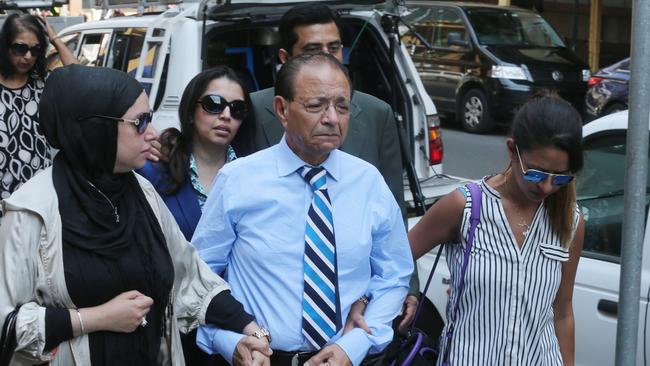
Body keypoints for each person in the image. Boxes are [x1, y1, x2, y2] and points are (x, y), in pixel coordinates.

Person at [0, 64, 272, 365]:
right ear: (95, 128)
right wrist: (95, 318)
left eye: (151, 120)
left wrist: (253, 332)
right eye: (140, 122)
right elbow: (7, 325)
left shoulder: (143, 193)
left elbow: (190, 278)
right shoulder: (30, 211)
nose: (152, 133)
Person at [192, 52, 413, 366]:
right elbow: (200, 275)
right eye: (316, 105)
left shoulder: (368, 181)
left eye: (342, 106)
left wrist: (356, 344)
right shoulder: (239, 179)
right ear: (282, 109)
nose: (332, 119)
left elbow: (393, 275)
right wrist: (228, 340)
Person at [251, 2, 420, 332]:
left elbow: (393, 212)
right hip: (275, 304)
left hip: (355, 303)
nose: (328, 56)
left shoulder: (376, 113)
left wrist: (407, 287)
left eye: (335, 47)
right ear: (286, 58)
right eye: (313, 49)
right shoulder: (254, 110)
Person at [409, 92, 585, 365]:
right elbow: (396, 259)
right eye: (536, 174)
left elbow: (562, 311)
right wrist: (408, 292)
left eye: (560, 178)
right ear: (512, 149)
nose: (547, 187)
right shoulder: (465, 206)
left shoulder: (570, 221)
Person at [138, 66, 256, 241]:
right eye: (214, 104)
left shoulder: (254, 174)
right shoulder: (154, 169)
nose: (226, 115)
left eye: (237, 108)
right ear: (191, 112)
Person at [0, 13, 77, 202]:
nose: (28, 56)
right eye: (20, 48)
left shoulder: (43, 84)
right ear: (5, 46)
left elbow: (79, 77)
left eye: (35, 50)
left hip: (39, 195)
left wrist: (55, 39)